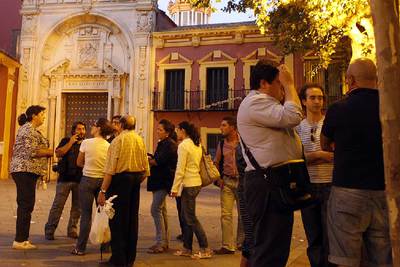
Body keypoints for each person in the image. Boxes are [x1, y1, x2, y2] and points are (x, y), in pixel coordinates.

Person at [321, 58, 393, 267]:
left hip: (347, 190)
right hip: (383, 190)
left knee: (345, 259)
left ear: (350, 79)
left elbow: (325, 144)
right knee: (383, 257)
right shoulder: (391, 107)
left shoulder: (338, 108)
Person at [237, 60, 303, 267]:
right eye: (279, 83)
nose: (282, 88)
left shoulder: (266, 105)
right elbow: (293, 116)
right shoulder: (256, 102)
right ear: (264, 83)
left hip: (275, 181)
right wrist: (291, 84)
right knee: (269, 251)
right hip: (266, 184)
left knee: (275, 246)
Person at [97, 115, 150, 267]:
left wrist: (102, 190)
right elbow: (146, 169)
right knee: (132, 220)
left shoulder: (117, 141)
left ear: (121, 125)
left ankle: (118, 260)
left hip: (120, 181)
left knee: (118, 222)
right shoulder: (140, 140)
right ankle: (129, 259)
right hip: (135, 181)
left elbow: (110, 169)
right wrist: (134, 180)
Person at [297, 84, 334, 267]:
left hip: (330, 185)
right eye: (312, 97)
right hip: (308, 187)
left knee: (330, 237)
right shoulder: (297, 128)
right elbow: (296, 159)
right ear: (303, 101)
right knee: (313, 237)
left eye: (320, 97)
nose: (317, 101)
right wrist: (319, 155)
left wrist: (308, 158)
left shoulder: (330, 124)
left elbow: (335, 156)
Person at [10, 105, 53, 249]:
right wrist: (48, 151)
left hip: (27, 171)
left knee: (27, 204)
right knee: (25, 205)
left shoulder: (30, 129)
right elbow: (31, 151)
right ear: (34, 116)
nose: (44, 117)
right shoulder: (28, 129)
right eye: (42, 114)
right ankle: (20, 240)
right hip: (24, 170)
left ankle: (23, 239)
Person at [170, 121, 212, 259]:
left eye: (177, 130)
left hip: (188, 185)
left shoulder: (183, 146)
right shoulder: (197, 144)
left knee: (190, 218)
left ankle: (205, 248)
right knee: (185, 217)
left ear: (182, 130)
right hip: (195, 183)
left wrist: (174, 188)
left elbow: (180, 169)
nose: (176, 133)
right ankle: (187, 248)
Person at [72, 118, 113, 255]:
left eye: (94, 125)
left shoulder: (86, 143)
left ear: (99, 128)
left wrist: (88, 167)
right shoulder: (109, 146)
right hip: (102, 181)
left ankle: (80, 248)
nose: (92, 126)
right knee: (103, 213)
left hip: (87, 180)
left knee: (86, 215)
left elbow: (78, 162)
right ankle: (106, 246)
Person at [45, 121, 86, 240]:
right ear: (73, 131)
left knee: (77, 207)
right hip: (65, 179)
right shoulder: (65, 140)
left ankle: (72, 229)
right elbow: (58, 153)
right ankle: (50, 229)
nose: (81, 131)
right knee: (58, 205)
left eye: (83, 129)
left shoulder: (86, 143)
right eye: (78, 129)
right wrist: (70, 142)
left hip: (80, 180)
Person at [146, 119, 178, 253]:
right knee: (162, 210)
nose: (157, 132)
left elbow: (159, 161)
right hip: (159, 180)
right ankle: (164, 242)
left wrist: (148, 160)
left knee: (155, 210)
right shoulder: (163, 143)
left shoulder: (169, 144)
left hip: (163, 181)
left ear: (167, 132)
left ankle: (160, 242)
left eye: (160, 130)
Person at [213, 116, 244, 254]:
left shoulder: (243, 142)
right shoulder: (221, 144)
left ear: (232, 127)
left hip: (243, 182)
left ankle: (242, 243)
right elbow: (216, 162)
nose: (221, 128)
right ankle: (227, 245)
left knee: (244, 214)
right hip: (227, 182)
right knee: (226, 214)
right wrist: (218, 178)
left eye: (224, 125)